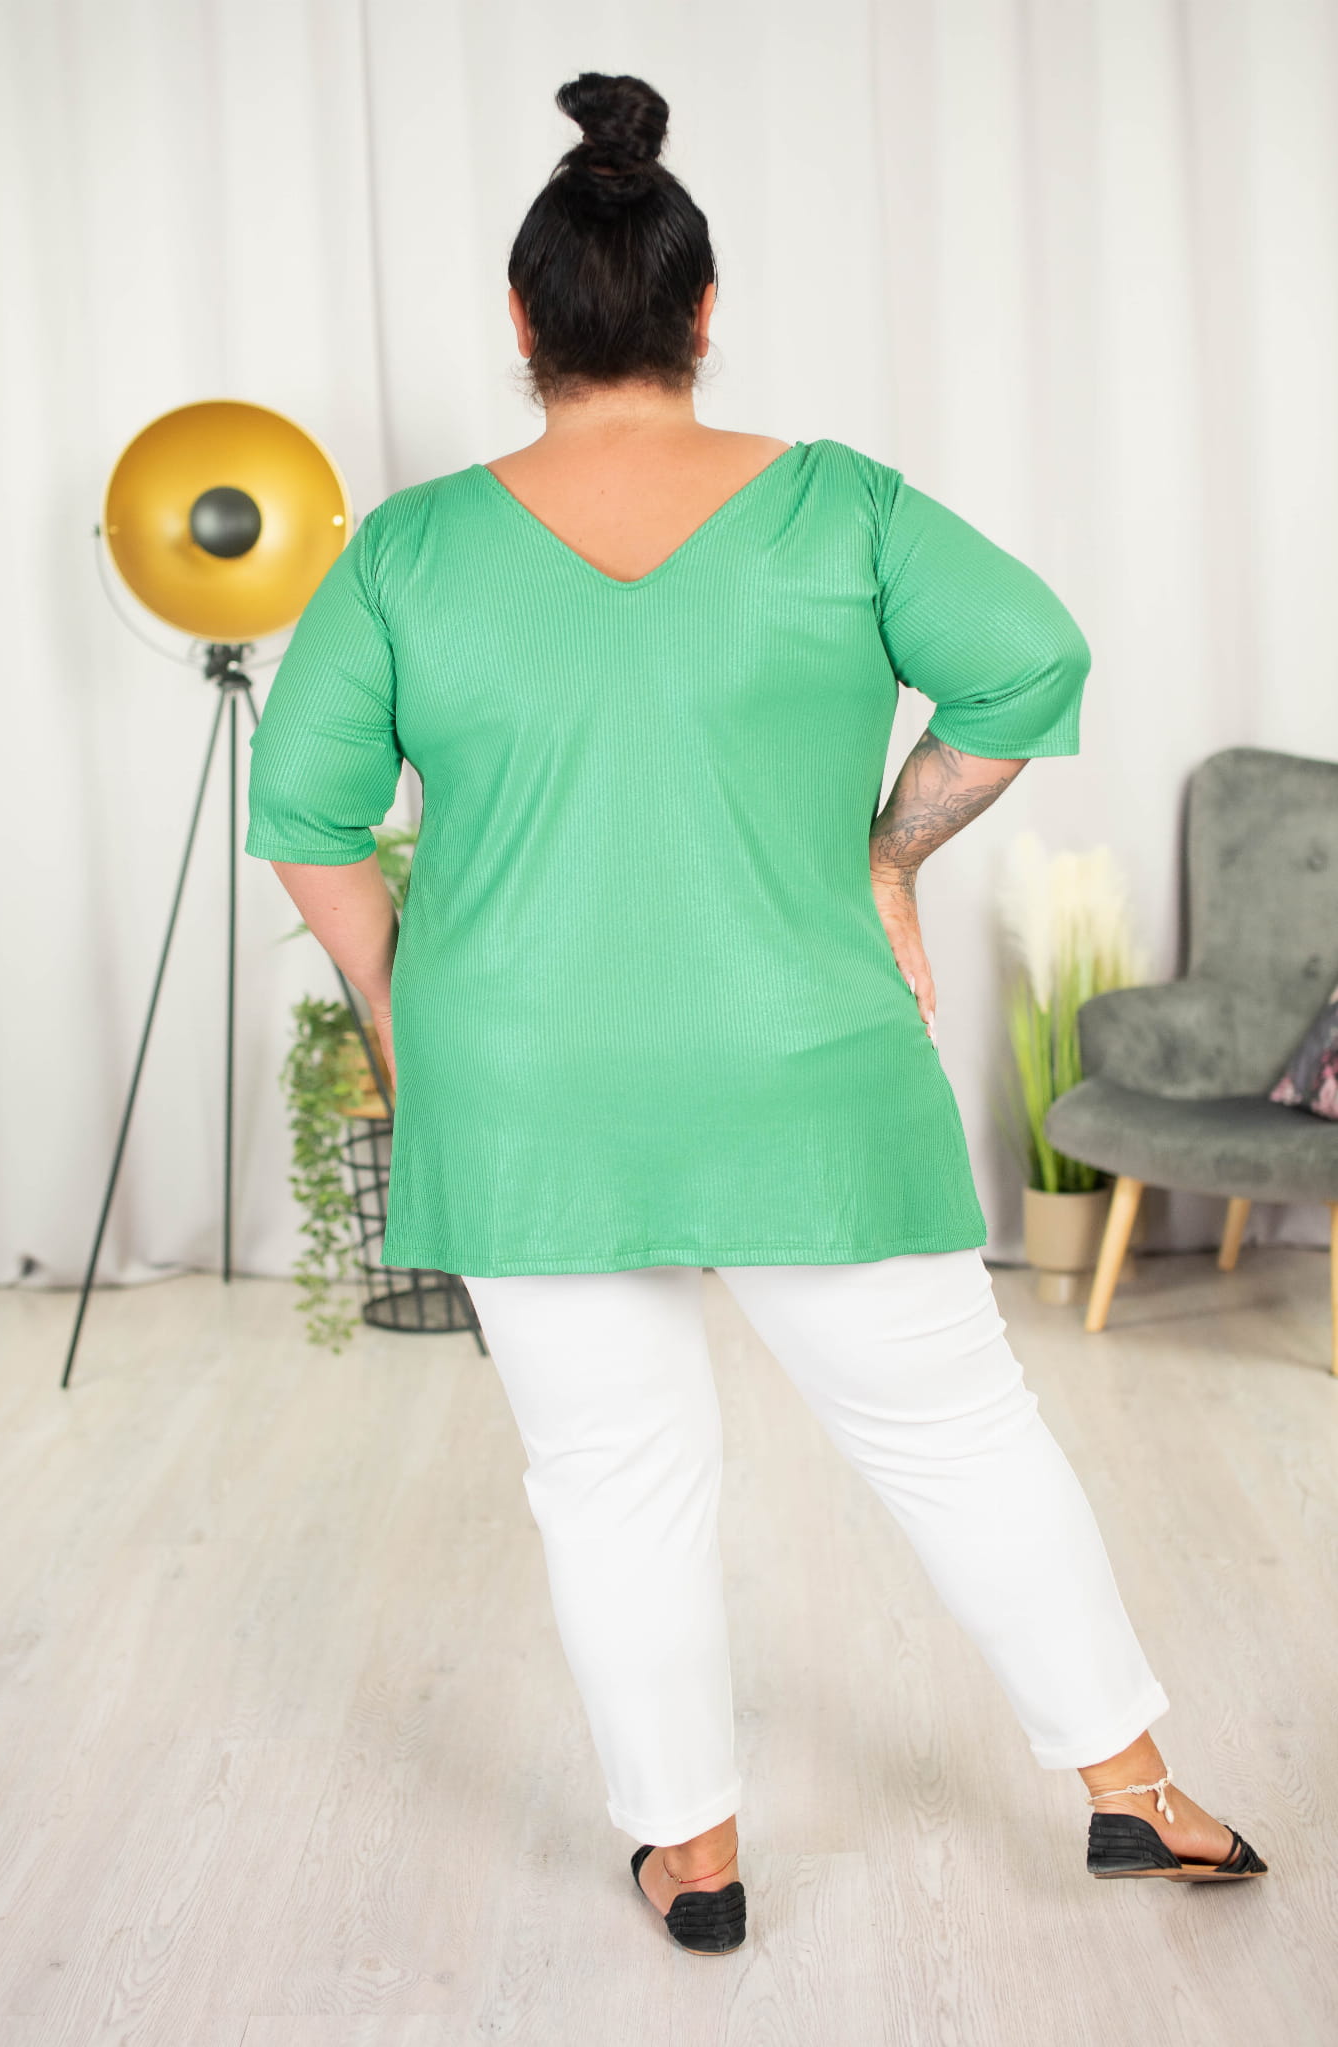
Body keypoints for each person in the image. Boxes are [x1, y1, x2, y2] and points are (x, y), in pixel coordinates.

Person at [245, 70, 1268, 1955]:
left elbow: (306, 816)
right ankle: (1136, 1790)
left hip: (530, 1084)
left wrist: (400, 1016)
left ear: (521, 320)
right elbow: (1031, 657)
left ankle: (696, 1854)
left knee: (612, 1480)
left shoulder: (406, 549)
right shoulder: (843, 508)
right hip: (809, 1065)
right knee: (960, 1435)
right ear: (704, 313)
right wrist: (888, 857)